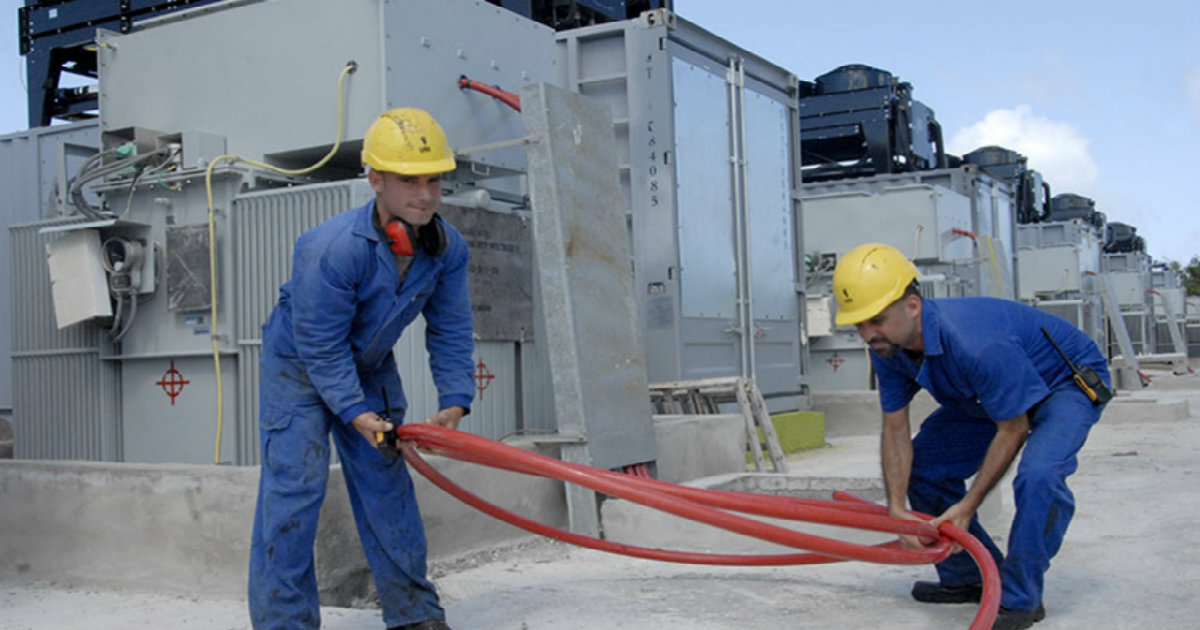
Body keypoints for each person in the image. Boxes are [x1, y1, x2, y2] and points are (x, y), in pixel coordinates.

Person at [248, 108, 475, 630]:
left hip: (369, 367)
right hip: (300, 370)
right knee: (294, 492)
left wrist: (455, 398)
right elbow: (321, 346)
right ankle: (284, 624)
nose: (425, 195)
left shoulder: (447, 250)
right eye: (408, 180)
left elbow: (452, 328)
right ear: (375, 179)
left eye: (434, 179)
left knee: (386, 487)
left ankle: (414, 613)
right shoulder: (331, 249)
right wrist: (353, 411)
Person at [831, 243, 1109, 630]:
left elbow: (1013, 428)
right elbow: (895, 427)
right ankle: (971, 576)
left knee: (1039, 476)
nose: (866, 333)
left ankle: (1020, 597)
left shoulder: (974, 343)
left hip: (1064, 382)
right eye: (858, 324)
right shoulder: (887, 347)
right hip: (988, 392)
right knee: (924, 466)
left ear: (912, 305)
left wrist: (968, 505)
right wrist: (897, 509)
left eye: (875, 319)